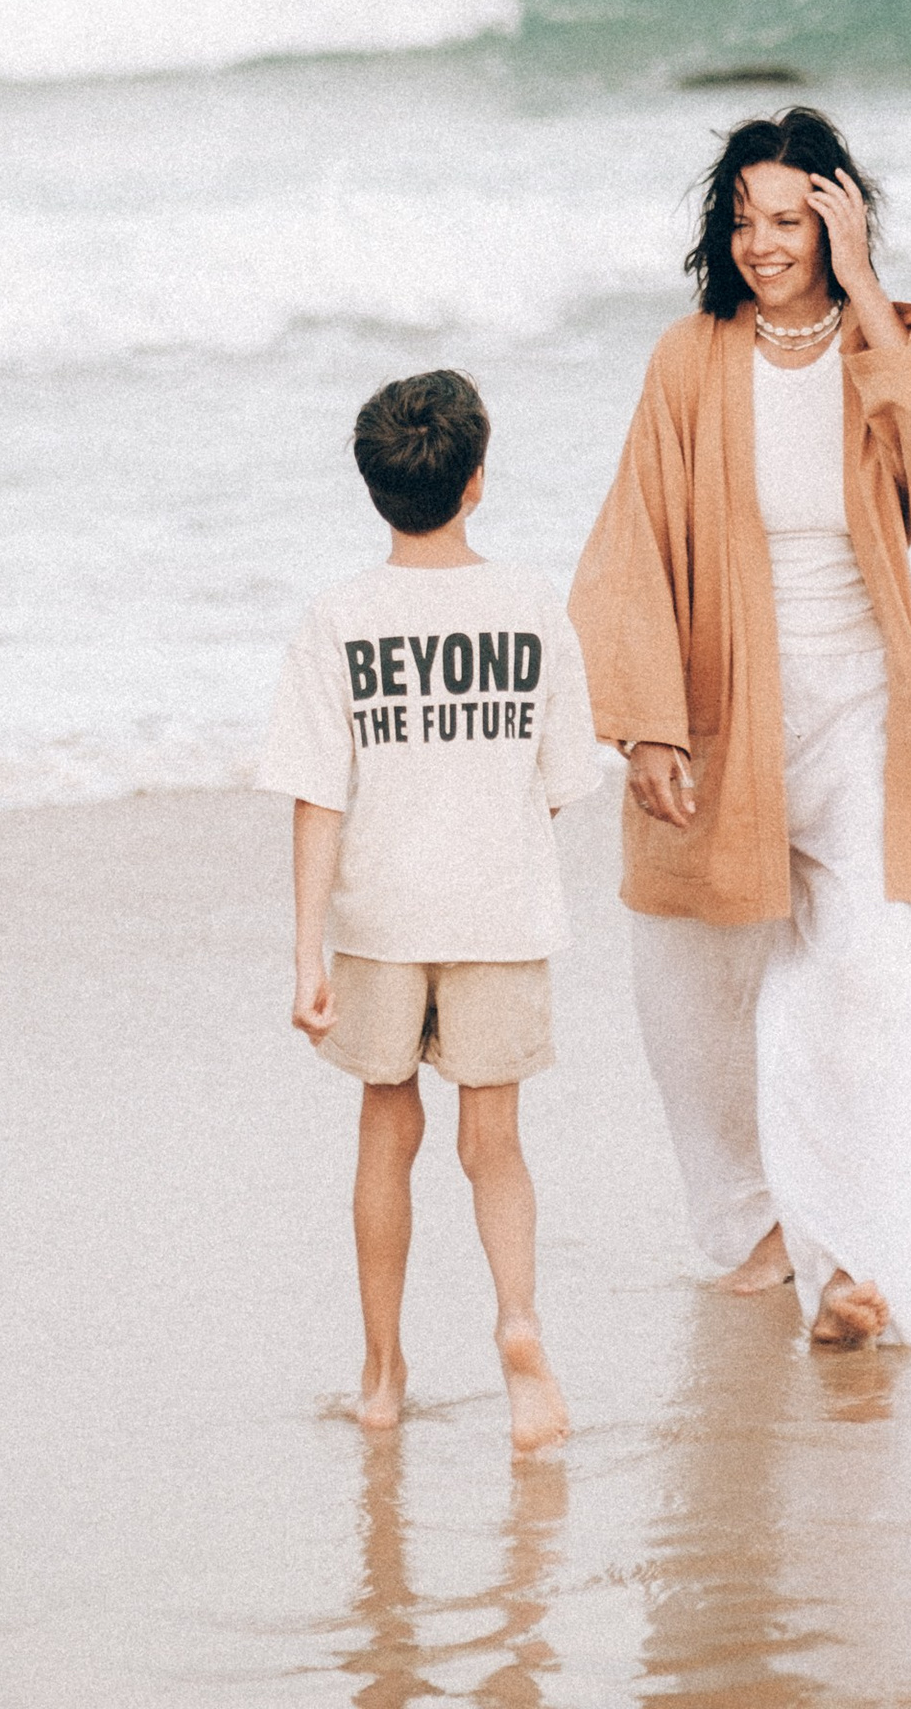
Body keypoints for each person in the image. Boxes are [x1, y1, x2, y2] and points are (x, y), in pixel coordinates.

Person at [570, 109, 911, 1348]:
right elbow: (631, 536)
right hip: (723, 702)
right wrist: (646, 725)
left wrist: (862, 287)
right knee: (688, 982)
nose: (762, 244)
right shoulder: (689, 360)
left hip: (860, 701)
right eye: (744, 220)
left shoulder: (902, 347)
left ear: (838, 218)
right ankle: (749, 1227)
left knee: (861, 982)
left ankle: (853, 1268)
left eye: (792, 220)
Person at [259, 367, 602, 1452]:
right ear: (478, 481)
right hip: (500, 907)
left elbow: (320, 795)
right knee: (493, 1140)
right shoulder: (533, 606)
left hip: (380, 918)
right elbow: (557, 782)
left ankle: (379, 1371)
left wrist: (305, 951)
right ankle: (516, 1321)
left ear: (374, 489)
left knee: (385, 1129)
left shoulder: (340, 618)